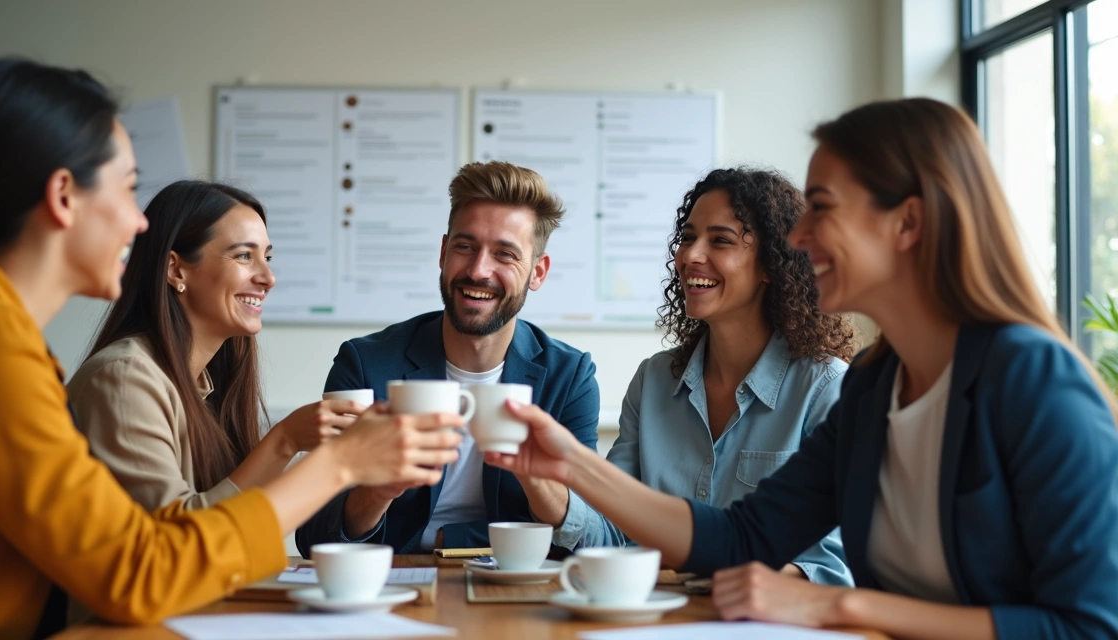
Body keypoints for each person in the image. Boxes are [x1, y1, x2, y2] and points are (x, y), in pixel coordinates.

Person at [485, 98, 1118, 639]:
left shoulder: (1031, 379)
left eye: (821, 207)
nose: (800, 235)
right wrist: (569, 463)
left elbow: (1088, 625)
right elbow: (740, 539)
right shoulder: (875, 386)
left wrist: (840, 604)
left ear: (908, 222)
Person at [0, 58, 462, 639]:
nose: (138, 224)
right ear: (64, 197)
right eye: (126, 190)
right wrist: (340, 464)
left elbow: (127, 550)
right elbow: (139, 569)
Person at [551, 167, 854, 587]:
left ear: (772, 264)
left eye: (721, 240)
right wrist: (550, 488)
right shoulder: (653, 381)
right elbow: (614, 533)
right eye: (688, 237)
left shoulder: (826, 388)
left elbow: (833, 566)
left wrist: (725, 572)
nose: (691, 255)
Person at [296, 161, 600, 553]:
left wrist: (531, 479)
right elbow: (313, 536)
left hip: (518, 591)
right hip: (392, 588)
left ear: (537, 273)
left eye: (505, 254)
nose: (478, 270)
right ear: (443, 252)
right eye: (465, 247)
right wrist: (378, 491)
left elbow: (595, 537)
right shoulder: (365, 364)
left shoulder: (568, 376)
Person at [68, 180, 361, 511]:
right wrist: (285, 441)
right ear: (176, 269)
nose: (268, 277)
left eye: (266, 257)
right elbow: (174, 541)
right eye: (244, 255)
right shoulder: (124, 378)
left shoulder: (206, 384)